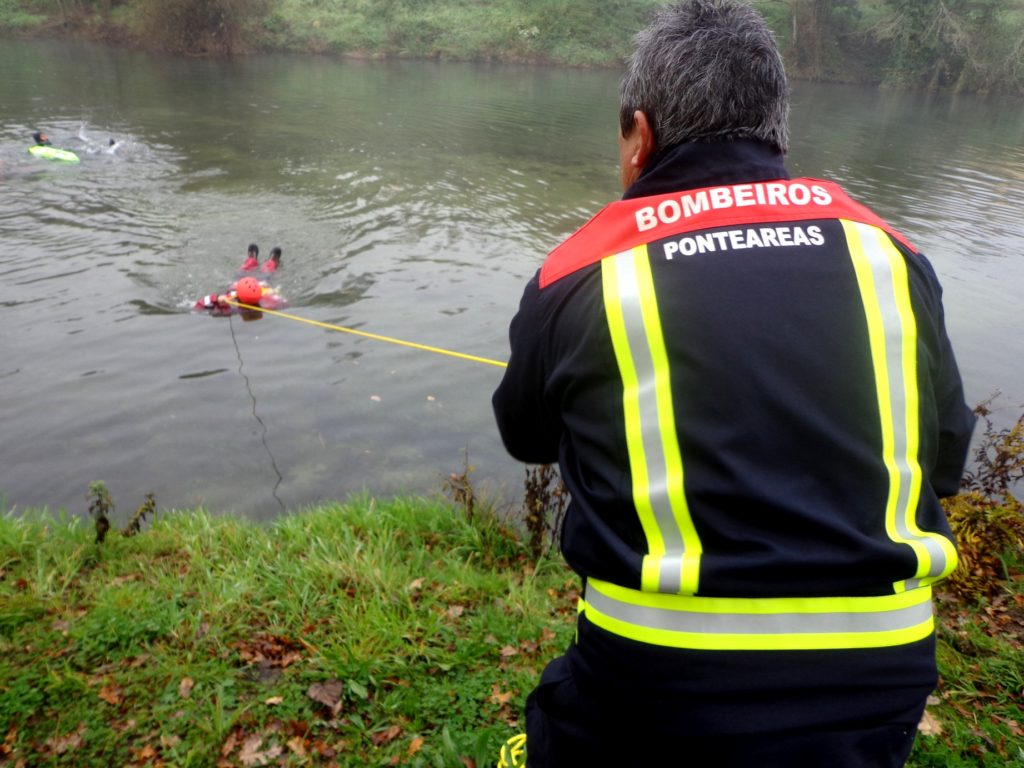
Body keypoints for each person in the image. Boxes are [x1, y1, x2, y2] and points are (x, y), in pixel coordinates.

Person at [491, 2, 976, 767]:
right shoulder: (891, 253)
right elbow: (944, 457)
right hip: (881, 672)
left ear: (640, 136)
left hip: (657, 671)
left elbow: (525, 439)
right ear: (779, 135)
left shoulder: (581, 269)